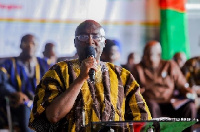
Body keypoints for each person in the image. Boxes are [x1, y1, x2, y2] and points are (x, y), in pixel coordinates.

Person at [28, 20, 152, 132]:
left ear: (104, 42)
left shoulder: (122, 75)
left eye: (96, 36)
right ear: (75, 42)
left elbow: (141, 117)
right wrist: (81, 78)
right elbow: (53, 116)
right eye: (83, 36)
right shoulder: (58, 71)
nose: (90, 41)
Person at [131, 40, 196, 120]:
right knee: (151, 106)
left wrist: (190, 93)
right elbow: (131, 90)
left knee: (190, 107)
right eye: (145, 54)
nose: (145, 57)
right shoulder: (138, 68)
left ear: (158, 55)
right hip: (151, 103)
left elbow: (182, 86)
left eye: (149, 54)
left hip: (170, 103)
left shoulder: (170, 65)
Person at [0, 34, 49, 132]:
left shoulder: (44, 63)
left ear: (37, 46)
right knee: (25, 106)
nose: (30, 46)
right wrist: (14, 93)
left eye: (33, 43)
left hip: (42, 102)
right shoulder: (8, 64)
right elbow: (2, 83)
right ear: (20, 46)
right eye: (26, 43)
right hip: (18, 103)